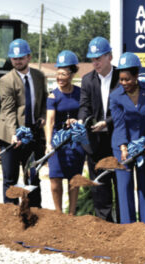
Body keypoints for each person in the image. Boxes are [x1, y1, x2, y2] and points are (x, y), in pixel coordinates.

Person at [0, 38, 48, 207]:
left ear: (29, 57)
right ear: (11, 59)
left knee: (32, 175)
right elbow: (8, 111)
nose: (17, 61)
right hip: (11, 135)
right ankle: (10, 214)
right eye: (14, 58)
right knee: (10, 178)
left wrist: (43, 115)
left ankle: (35, 211)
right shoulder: (6, 81)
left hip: (33, 133)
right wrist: (13, 134)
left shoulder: (39, 76)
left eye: (21, 58)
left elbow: (44, 99)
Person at [109, 52, 145, 224]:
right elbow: (119, 124)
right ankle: (128, 226)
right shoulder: (115, 96)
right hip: (122, 145)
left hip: (144, 145)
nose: (124, 83)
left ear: (136, 75)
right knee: (124, 187)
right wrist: (123, 148)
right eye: (121, 79)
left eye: (127, 79)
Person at [77, 36, 120, 222]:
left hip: (116, 139)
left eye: (99, 58)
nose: (95, 62)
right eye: (92, 59)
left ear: (109, 56)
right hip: (95, 141)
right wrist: (81, 121)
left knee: (119, 182)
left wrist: (107, 122)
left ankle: (123, 221)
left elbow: (124, 110)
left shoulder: (121, 78)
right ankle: (104, 223)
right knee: (99, 185)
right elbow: (84, 106)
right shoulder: (87, 80)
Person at [45, 50, 85, 215]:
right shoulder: (53, 96)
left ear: (72, 73)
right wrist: (48, 143)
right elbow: (50, 121)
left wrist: (78, 121)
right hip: (57, 141)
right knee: (55, 178)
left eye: (64, 73)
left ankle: (72, 214)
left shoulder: (80, 93)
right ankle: (58, 214)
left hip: (75, 142)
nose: (60, 77)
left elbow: (85, 113)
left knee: (74, 179)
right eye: (58, 73)